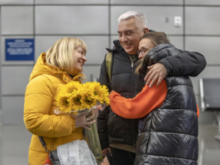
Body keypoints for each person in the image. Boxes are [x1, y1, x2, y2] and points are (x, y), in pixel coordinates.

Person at [98, 11, 206, 165]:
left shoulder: (164, 54)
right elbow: (103, 104)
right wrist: (103, 142)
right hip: (120, 143)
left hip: (153, 144)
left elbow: (199, 60)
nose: (123, 39)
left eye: (129, 33)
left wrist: (166, 65)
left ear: (145, 32)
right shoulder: (111, 58)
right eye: (120, 34)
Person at [24, 37, 96, 164]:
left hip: (75, 158)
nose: (85, 59)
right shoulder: (42, 81)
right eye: (80, 52)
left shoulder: (77, 84)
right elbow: (33, 121)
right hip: (51, 159)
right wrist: (74, 122)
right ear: (65, 52)